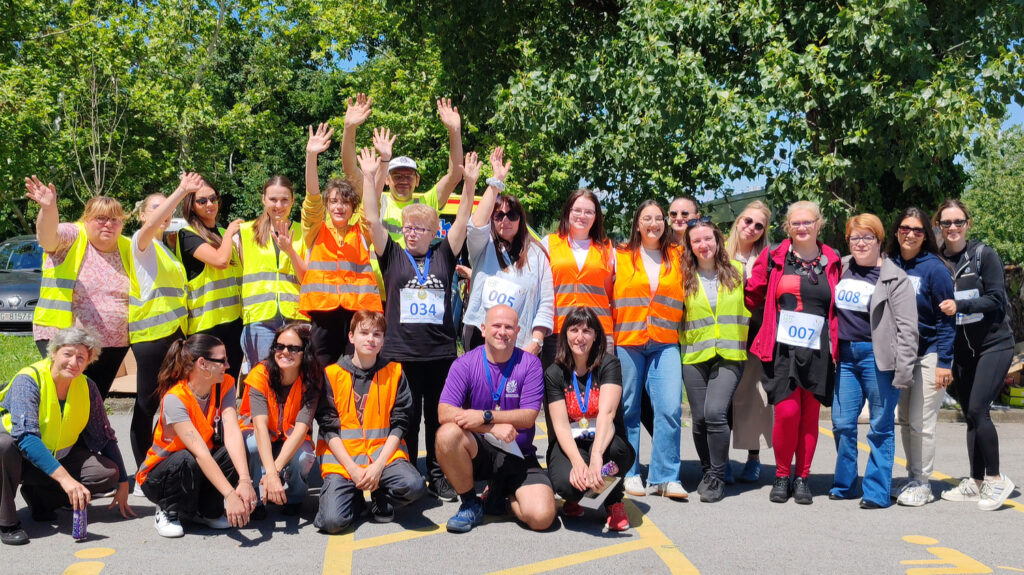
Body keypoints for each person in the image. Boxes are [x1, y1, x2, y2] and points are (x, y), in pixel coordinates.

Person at [361, 140, 478, 503]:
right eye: (408, 227)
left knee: (439, 417)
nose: (410, 232)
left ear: (432, 233)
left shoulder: (444, 254)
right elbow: (371, 219)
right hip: (401, 353)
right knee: (406, 419)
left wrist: (470, 182)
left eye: (418, 228)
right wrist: (370, 179)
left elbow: (461, 221)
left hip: (440, 354)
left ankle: (440, 474)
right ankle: (407, 472)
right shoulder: (393, 255)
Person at [0, 327, 135, 546]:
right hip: (18, 457)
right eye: (67, 354)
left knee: (106, 472)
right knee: (3, 445)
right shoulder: (29, 380)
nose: (74, 362)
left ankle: (41, 498)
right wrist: (66, 480)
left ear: (89, 361)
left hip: (55, 458)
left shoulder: (87, 387)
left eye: (81, 357)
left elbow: (104, 434)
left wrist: (122, 483)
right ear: (53, 353)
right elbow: (26, 436)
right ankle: (7, 521)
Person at [745, 200, 840, 505]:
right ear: (788, 227)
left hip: (818, 350)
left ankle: (803, 478)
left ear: (818, 223)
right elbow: (752, 293)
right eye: (795, 223)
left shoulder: (833, 260)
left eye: (807, 222)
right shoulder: (774, 257)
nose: (802, 228)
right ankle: (782, 476)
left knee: (810, 417)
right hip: (781, 349)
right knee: (787, 413)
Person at [435, 305, 556, 534]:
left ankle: (503, 494)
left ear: (518, 331)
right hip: (480, 453)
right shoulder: (465, 364)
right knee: (447, 434)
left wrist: (485, 416)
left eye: (509, 327)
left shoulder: (530, 364)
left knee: (543, 518)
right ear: (483, 329)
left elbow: (529, 417)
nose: (503, 332)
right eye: (496, 326)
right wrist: (490, 428)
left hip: (519, 454)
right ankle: (471, 503)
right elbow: (444, 412)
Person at [828, 214, 918, 509]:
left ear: (880, 241)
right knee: (842, 423)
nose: (861, 243)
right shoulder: (838, 268)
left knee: (880, 426)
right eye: (855, 237)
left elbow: (908, 328)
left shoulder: (895, 277)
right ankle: (845, 484)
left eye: (868, 237)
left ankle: (877, 492)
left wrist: (903, 371)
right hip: (845, 357)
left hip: (879, 359)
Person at [934, 199, 1016, 510]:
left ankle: (996, 480)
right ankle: (976, 480)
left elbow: (995, 299)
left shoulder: (984, 255)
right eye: (946, 223)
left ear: (968, 224)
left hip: (994, 345)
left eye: (958, 222)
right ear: (939, 227)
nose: (952, 228)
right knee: (970, 414)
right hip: (962, 350)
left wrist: (962, 306)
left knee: (979, 409)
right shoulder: (938, 261)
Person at [313, 311, 425, 533]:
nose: (371, 339)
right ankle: (354, 497)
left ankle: (380, 493)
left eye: (377, 334)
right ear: (351, 337)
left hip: (383, 458)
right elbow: (328, 429)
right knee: (333, 522)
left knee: (414, 486)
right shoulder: (332, 374)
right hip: (343, 463)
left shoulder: (394, 372)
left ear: (384, 339)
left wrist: (378, 466)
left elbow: (400, 424)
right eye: (364, 333)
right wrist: (353, 470)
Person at [136, 334, 257, 538]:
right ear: (203, 364)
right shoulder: (176, 398)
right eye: (222, 360)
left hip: (197, 465)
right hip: (161, 474)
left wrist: (245, 480)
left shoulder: (224, 384)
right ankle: (167, 509)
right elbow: (200, 453)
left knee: (235, 449)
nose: (228, 365)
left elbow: (232, 432)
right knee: (185, 460)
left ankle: (205, 512)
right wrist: (230, 494)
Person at [26, 176, 131, 398]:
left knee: (93, 402)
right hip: (67, 340)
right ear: (86, 219)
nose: (109, 224)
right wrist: (49, 209)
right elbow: (47, 238)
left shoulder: (127, 246)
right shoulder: (74, 236)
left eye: (115, 219)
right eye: (101, 218)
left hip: (113, 345)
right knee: (65, 399)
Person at [126, 174, 197, 489]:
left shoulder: (168, 250)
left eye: (168, 211)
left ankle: (165, 462)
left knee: (173, 404)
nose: (164, 215)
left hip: (175, 338)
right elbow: (154, 223)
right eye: (156, 209)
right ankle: (143, 472)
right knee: (146, 405)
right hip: (152, 339)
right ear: (144, 215)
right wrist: (181, 191)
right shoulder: (140, 244)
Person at [613, 200, 687, 500]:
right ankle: (630, 473)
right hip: (628, 340)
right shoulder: (619, 255)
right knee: (628, 409)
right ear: (637, 223)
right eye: (647, 218)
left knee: (669, 408)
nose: (654, 223)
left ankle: (666, 477)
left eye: (659, 218)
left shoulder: (679, 255)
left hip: (665, 341)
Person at [886, 207, 956, 507]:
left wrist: (944, 362)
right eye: (905, 228)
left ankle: (924, 483)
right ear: (897, 231)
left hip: (929, 355)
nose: (910, 234)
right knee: (904, 420)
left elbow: (946, 320)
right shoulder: (890, 264)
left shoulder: (934, 269)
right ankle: (912, 476)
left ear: (926, 235)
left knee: (921, 422)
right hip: (901, 356)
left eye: (917, 230)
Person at [300, 122, 383, 366]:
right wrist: (311, 156)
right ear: (327, 205)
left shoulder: (361, 232)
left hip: (357, 314)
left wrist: (372, 174)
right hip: (323, 314)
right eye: (334, 201)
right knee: (320, 372)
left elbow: (373, 207)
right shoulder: (316, 230)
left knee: (354, 369)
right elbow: (312, 198)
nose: (339, 206)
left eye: (345, 202)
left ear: (353, 208)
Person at [544, 308, 634, 531]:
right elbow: (561, 425)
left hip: (604, 442)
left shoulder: (609, 364)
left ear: (596, 335)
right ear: (565, 335)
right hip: (572, 444)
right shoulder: (554, 373)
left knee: (618, 457)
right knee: (566, 484)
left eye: (586, 331)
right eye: (574, 330)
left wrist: (596, 458)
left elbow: (607, 414)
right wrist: (577, 463)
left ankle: (612, 500)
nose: (580, 337)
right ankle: (575, 497)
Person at [680, 219, 750, 502]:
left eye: (707, 239)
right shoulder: (683, 276)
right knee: (698, 419)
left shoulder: (738, 271)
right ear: (690, 246)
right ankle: (709, 470)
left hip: (730, 354)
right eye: (696, 241)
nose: (703, 245)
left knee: (715, 414)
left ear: (718, 240)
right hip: (695, 355)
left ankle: (718, 476)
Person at [462, 147, 554, 355]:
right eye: (499, 216)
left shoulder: (538, 255)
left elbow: (546, 303)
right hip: (479, 334)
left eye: (512, 216)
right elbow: (475, 225)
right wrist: (496, 182)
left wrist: (536, 342)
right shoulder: (482, 247)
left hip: (520, 343)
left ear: (521, 219)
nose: (505, 220)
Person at [342, 93, 464, 245]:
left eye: (409, 176)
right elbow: (350, 170)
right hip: (375, 270)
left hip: (412, 270)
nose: (403, 181)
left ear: (417, 180)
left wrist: (454, 131)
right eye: (397, 176)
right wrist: (349, 128)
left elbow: (455, 175)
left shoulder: (425, 204)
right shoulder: (376, 199)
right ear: (387, 180)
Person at [238, 323, 320, 519]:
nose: (285, 352)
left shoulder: (311, 379)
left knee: (304, 456)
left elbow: (301, 430)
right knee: (251, 446)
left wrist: (273, 472)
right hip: (261, 434)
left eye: (293, 348)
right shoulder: (260, 374)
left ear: (304, 352)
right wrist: (273, 475)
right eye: (280, 346)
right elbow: (259, 426)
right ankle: (256, 499)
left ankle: (293, 497)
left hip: (290, 436)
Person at [175, 177, 244, 383]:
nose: (210, 204)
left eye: (213, 198)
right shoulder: (188, 235)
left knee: (227, 386)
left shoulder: (223, 234)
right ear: (192, 206)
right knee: (204, 388)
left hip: (233, 324)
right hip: (205, 328)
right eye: (202, 201)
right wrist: (231, 233)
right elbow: (220, 260)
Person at [724, 201, 774, 482]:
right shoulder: (719, 252)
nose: (751, 228)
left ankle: (753, 458)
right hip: (723, 336)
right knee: (724, 399)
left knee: (753, 398)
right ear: (738, 221)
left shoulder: (767, 258)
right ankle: (722, 461)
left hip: (755, 335)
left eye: (759, 225)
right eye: (748, 221)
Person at [238, 176, 307, 369]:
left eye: (285, 200)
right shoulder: (245, 232)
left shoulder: (304, 232)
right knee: (262, 378)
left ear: (293, 201)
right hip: (259, 319)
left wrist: (290, 251)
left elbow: (306, 279)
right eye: (273, 199)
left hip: (296, 316)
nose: (279, 205)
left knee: (296, 379)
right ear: (263, 200)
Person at [541, 189, 615, 367]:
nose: (583, 215)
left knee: (597, 389)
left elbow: (609, 292)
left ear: (596, 216)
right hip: (558, 330)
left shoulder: (608, 249)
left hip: (597, 331)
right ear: (568, 212)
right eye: (577, 210)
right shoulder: (549, 243)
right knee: (557, 389)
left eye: (589, 211)